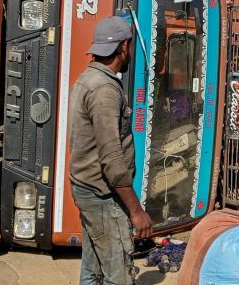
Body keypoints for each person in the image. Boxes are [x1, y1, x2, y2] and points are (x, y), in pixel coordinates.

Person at [69, 16, 153, 285]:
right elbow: (112, 161)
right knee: (118, 274)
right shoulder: (105, 88)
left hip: (86, 186)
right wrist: (136, 211)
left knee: (93, 268)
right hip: (102, 194)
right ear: (124, 47)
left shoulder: (89, 77)